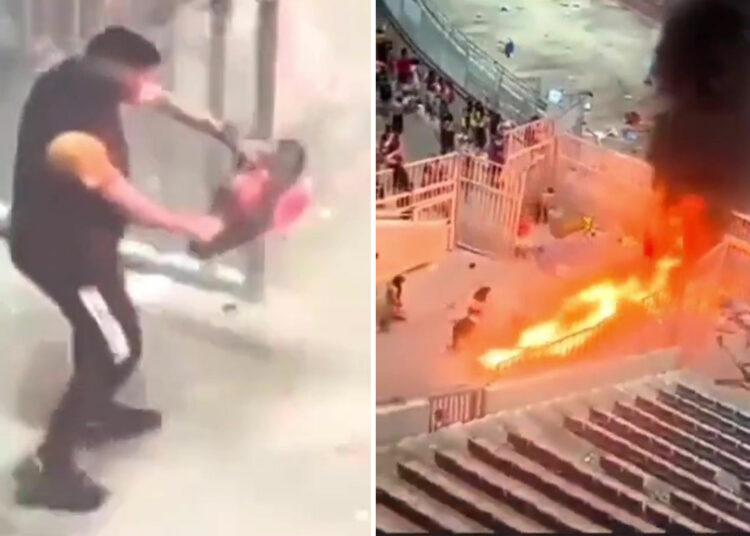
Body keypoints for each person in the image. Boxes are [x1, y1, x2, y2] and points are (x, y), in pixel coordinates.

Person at [9, 27, 240, 513]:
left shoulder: (85, 76)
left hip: (86, 246)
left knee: (98, 329)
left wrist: (222, 131)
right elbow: (122, 197)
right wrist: (191, 224)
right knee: (116, 347)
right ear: (116, 70)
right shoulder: (73, 134)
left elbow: (160, 99)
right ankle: (50, 467)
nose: (145, 89)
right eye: (140, 79)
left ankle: (93, 410)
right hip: (62, 254)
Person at [451, 286, 491, 350]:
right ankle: (458, 347)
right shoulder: (479, 303)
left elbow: (473, 313)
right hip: (473, 320)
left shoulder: (478, 304)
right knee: (461, 331)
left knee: (457, 329)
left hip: (473, 321)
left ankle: (455, 347)